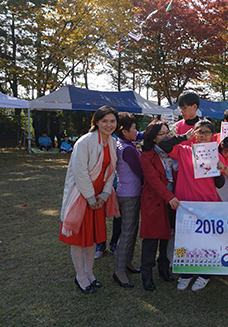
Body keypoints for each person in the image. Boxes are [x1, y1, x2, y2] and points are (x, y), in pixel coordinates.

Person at [159, 119, 225, 292]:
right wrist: (183, 137)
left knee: (207, 240)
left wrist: (219, 170)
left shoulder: (216, 154)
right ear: (194, 133)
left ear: (213, 135)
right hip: (186, 203)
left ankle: (206, 274)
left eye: (207, 132)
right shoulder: (184, 150)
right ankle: (186, 273)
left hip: (208, 204)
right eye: (199, 132)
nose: (203, 135)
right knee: (186, 240)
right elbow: (163, 144)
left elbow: (220, 184)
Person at [59, 106, 119, 294]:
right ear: (97, 122)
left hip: (98, 197)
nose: (109, 125)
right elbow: (80, 173)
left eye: (112, 121)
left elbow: (111, 172)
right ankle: (80, 276)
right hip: (82, 196)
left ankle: (90, 273)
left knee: (93, 237)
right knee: (79, 239)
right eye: (105, 121)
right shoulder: (85, 141)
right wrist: (91, 197)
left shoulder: (111, 142)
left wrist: (104, 195)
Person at [139, 121, 179, 291]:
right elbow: (154, 181)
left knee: (166, 236)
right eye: (162, 134)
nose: (166, 136)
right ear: (153, 137)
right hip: (155, 200)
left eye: (167, 133)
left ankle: (163, 268)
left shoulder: (172, 152)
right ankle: (146, 275)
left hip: (172, 199)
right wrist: (169, 196)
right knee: (151, 239)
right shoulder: (147, 155)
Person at [113, 112, 143, 288]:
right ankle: (119, 271)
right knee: (127, 233)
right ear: (124, 131)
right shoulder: (129, 149)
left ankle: (127, 263)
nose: (136, 131)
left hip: (128, 192)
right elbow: (140, 172)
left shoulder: (123, 144)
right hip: (130, 194)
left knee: (131, 230)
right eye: (133, 128)